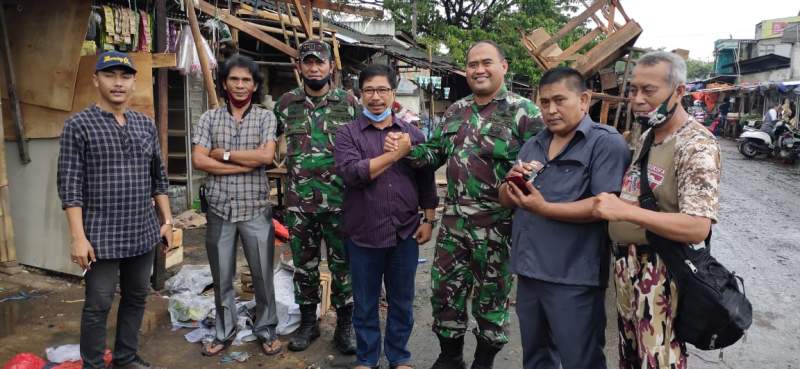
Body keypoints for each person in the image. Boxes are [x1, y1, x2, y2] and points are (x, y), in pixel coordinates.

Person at [385, 40, 544, 369]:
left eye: (487, 62)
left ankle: (483, 361)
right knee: (445, 294)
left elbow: (543, 168)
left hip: (499, 227)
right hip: (455, 225)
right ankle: (450, 356)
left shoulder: (525, 114)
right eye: (472, 64)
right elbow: (433, 155)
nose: (478, 70)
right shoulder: (456, 111)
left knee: (491, 300)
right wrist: (405, 150)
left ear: (504, 66)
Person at [592, 51, 721, 369]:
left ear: (679, 91)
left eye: (648, 91)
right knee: (632, 356)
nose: (637, 99)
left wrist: (626, 212)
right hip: (628, 267)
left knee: (660, 360)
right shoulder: (649, 134)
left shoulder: (696, 145)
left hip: (662, 270)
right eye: (633, 90)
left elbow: (697, 226)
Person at [499, 67, 630, 369]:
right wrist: (510, 183)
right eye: (544, 102)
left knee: (580, 360)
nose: (551, 110)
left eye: (559, 100)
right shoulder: (535, 144)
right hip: (531, 271)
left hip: (573, 277)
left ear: (584, 100)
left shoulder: (605, 144)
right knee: (536, 357)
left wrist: (545, 208)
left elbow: (603, 206)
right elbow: (507, 200)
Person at [57, 50, 173, 369]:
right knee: (98, 303)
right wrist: (78, 237)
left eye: (125, 76)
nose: (118, 83)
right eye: (110, 75)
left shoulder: (144, 125)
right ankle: (93, 364)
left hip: (142, 232)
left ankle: (125, 357)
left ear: (134, 82)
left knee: (137, 296)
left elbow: (158, 177)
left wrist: (167, 220)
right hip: (101, 235)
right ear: (96, 80)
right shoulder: (78, 125)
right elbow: (70, 186)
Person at [334, 64, 438, 369]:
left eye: (382, 90)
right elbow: (353, 174)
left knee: (401, 302)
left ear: (394, 94)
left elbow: (426, 179)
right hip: (362, 233)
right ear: (359, 94)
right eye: (369, 90)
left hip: (404, 233)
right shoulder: (347, 134)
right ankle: (367, 358)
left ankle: (399, 357)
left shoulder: (413, 134)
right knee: (365, 304)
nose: (375, 97)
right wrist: (395, 155)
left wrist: (428, 220)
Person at [191, 54, 282, 357]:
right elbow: (199, 159)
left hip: (255, 208)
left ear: (255, 85)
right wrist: (244, 163)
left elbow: (266, 157)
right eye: (234, 79)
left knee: (262, 276)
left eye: (246, 80)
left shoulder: (265, 117)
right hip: (219, 209)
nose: (240, 85)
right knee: (222, 277)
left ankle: (267, 330)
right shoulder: (209, 118)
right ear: (224, 83)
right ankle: (223, 330)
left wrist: (224, 155)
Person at [274, 39, 360, 354]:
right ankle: (308, 324)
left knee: (343, 266)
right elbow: (270, 145)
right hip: (299, 205)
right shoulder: (285, 104)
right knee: (304, 266)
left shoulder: (349, 103)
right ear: (299, 67)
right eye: (307, 62)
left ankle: (344, 326)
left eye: (319, 62)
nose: (314, 67)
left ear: (330, 66)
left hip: (340, 203)